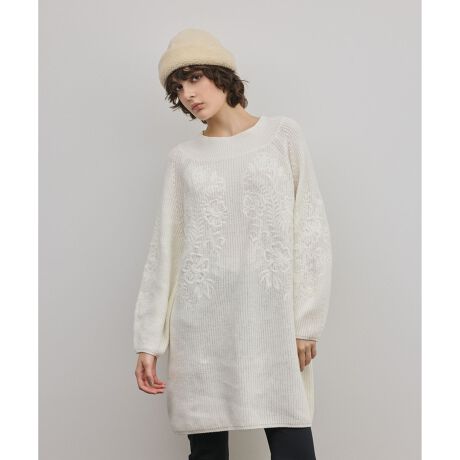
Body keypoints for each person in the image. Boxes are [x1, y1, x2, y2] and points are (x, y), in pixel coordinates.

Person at [133, 28, 333, 460]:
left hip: (270, 319)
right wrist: (149, 340)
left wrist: (306, 322)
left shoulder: (283, 136)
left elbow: (310, 228)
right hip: (201, 327)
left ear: (222, 75)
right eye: (178, 87)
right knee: (207, 452)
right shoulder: (183, 159)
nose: (188, 94)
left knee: (293, 444)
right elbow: (165, 251)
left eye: (194, 78)